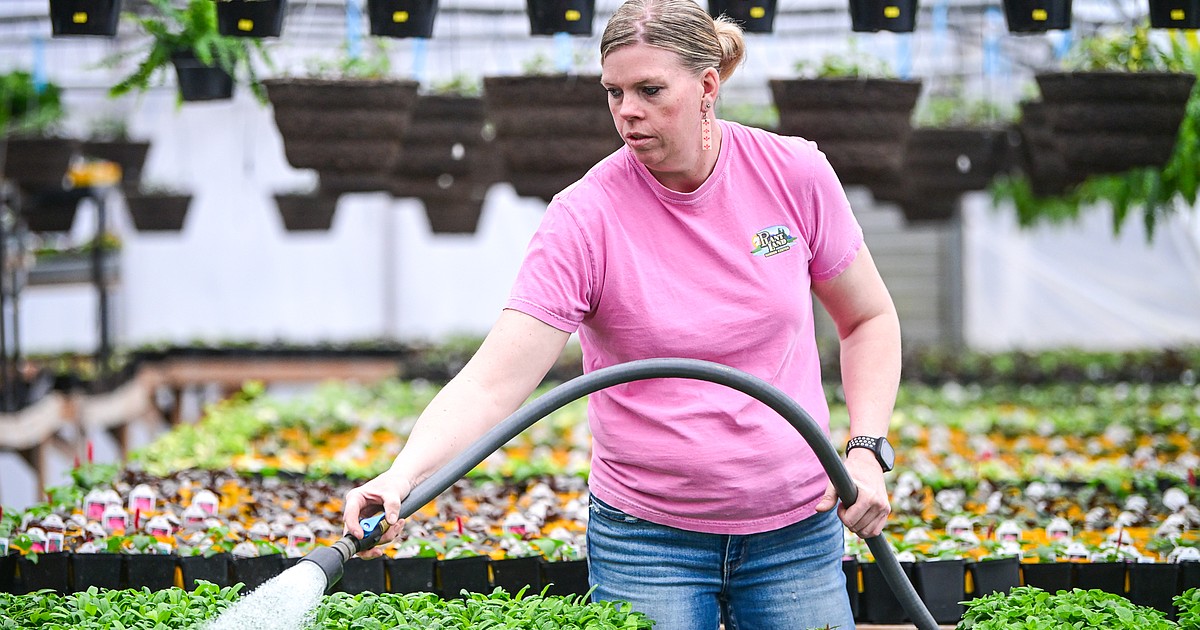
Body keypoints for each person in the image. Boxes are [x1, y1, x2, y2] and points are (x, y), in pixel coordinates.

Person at [342, 0, 901, 627]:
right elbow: (494, 379)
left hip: (796, 528)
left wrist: (865, 448)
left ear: (707, 85)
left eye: (650, 90)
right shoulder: (585, 216)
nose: (627, 111)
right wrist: (400, 477)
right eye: (614, 92)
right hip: (647, 539)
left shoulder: (792, 174)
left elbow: (869, 320)